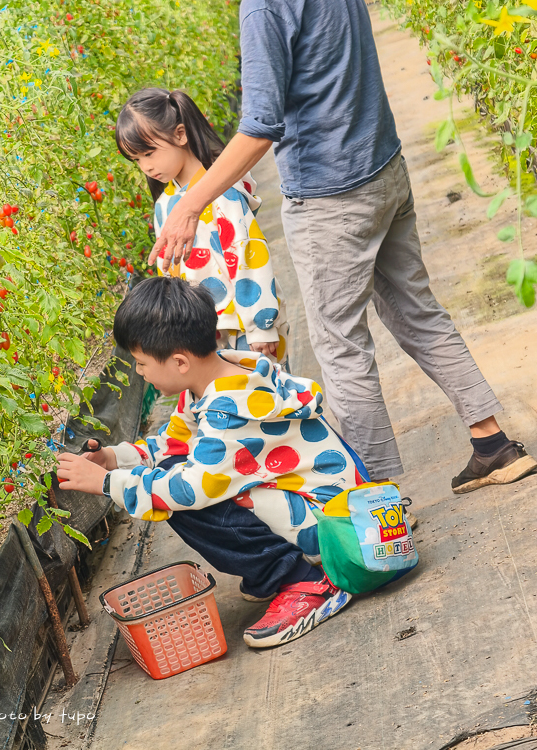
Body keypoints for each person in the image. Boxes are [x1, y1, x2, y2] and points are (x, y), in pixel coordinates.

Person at [146, 0, 536, 493]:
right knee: (419, 314)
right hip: (383, 166)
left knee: (342, 348)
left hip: (329, 196)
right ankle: (494, 446)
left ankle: (375, 503)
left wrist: (189, 204)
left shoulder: (262, 8)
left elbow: (260, 126)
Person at [57, 277, 366, 648]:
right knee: (173, 471)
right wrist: (112, 458)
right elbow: (174, 444)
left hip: (335, 529)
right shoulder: (219, 377)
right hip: (331, 506)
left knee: (181, 497)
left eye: (141, 363)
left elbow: (188, 490)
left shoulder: (228, 412)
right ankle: (280, 568)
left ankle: (305, 581)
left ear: (179, 362)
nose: (139, 373)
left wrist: (106, 484)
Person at [115, 88, 289, 364]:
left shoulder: (221, 192)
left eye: (149, 153)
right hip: (202, 338)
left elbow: (248, 255)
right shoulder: (164, 205)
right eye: (137, 159)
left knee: (265, 390)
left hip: (244, 330)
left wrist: (261, 325)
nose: (145, 166)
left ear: (180, 135)